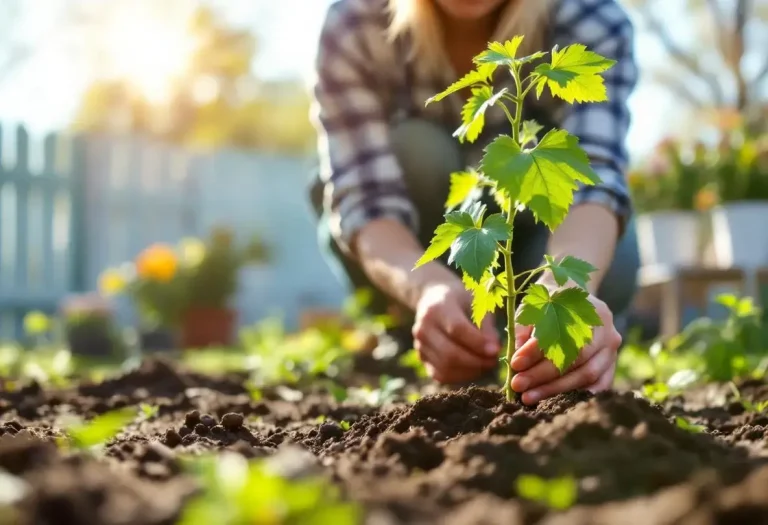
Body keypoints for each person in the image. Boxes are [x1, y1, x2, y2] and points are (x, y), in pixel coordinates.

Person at [307, 0, 640, 404]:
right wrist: (426, 289)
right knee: (416, 152)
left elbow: (594, 178)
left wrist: (564, 289)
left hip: (538, 233)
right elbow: (366, 200)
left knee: (613, 263)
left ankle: (548, 348)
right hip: (422, 236)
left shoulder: (590, 17)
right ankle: (415, 328)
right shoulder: (357, 22)